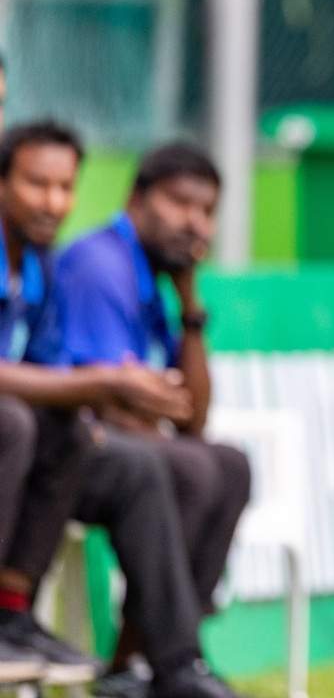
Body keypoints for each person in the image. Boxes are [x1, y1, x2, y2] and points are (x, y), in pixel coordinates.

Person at [0, 120, 233, 698]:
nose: (53, 202)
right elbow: (99, 392)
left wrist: (191, 308)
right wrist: (105, 387)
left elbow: (190, 417)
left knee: (210, 463)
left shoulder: (40, 262)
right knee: (23, 425)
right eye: (36, 184)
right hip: (21, 439)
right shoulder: (98, 262)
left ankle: (158, 665)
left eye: (65, 187)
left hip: (45, 449)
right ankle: (135, 665)